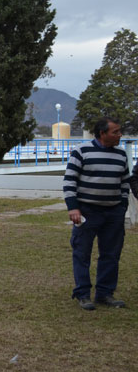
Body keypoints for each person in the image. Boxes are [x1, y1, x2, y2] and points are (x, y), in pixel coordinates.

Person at [63, 117, 129, 311]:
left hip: (113, 213)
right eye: (115, 132)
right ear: (102, 133)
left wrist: (122, 205)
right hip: (87, 211)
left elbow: (124, 182)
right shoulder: (82, 151)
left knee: (111, 254)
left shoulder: (121, 155)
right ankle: (83, 294)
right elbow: (69, 181)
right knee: (82, 253)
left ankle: (105, 293)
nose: (119, 135)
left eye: (119, 131)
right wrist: (73, 208)